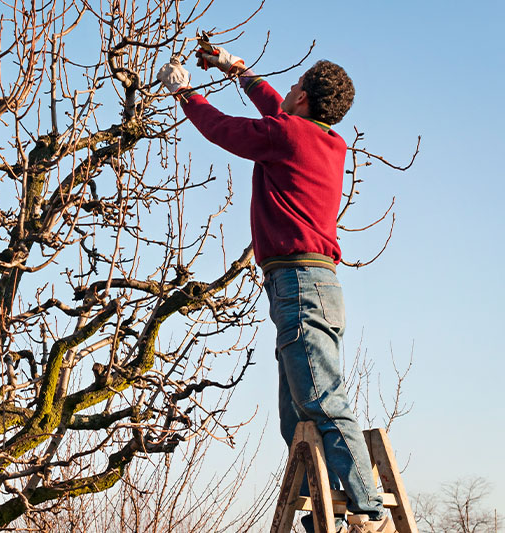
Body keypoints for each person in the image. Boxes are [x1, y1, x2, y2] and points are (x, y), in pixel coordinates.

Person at [156, 48, 395, 533]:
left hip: (300, 284)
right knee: (298, 418)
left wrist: (184, 93)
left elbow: (227, 130)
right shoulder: (326, 141)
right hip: (311, 282)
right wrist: (236, 70)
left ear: (302, 96)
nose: (283, 94)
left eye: (291, 90)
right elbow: (275, 109)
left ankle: (368, 516)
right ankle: (319, 514)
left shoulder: (285, 135)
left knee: (323, 402)